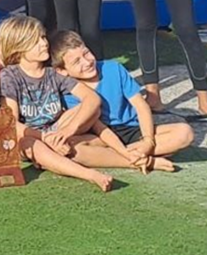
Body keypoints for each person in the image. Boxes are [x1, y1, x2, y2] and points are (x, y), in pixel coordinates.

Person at [0, 16, 114, 191]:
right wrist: (45, 138)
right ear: (18, 47)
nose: (44, 43)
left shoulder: (52, 72)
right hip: (30, 137)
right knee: (32, 144)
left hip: (57, 130)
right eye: (35, 41)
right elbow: (10, 123)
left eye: (43, 37)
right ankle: (90, 174)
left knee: (91, 110)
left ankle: (67, 148)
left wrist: (67, 131)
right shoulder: (10, 75)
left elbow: (92, 99)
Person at [50, 30, 194, 173]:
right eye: (76, 61)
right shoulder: (69, 92)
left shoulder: (112, 68)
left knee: (184, 133)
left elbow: (141, 106)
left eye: (86, 53)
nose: (87, 62)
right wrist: (125, 152)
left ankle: (120, 156)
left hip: (132, 129)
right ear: (62, 70)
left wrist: (148, 141)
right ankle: (143, 160)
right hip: (102, 136)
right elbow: (99, 128)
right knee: (71, 148)